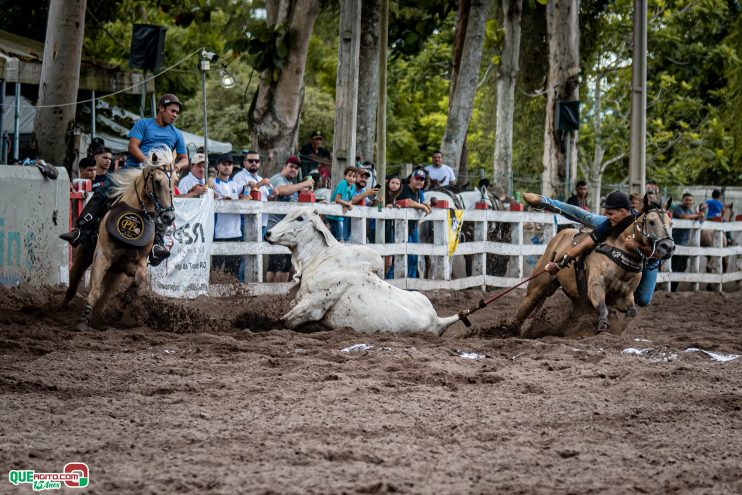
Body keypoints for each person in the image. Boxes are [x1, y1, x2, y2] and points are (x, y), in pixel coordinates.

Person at [60, 94, 188, 266]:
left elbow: (185, 158)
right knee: (103, 191)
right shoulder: (143, 124)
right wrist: (148, 163)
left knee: (165, 207)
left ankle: (157, 245)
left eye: (177, 112)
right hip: (133, 171)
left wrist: (176, 167)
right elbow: (133, 146)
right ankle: (81, 229)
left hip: (157, 177)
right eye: (172, 111)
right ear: (161, 108)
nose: (175, 115)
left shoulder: (177, 134)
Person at [523, 190, 660, 307]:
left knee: (643, 300)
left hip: (647, 261)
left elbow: (660, 252)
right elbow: (585, 243)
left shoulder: (646, 225)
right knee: (587, 217)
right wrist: (561, 263)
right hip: (617, 230)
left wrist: (637, 246)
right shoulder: (611, 221)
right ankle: (544, 201)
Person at [266, 156, 315, 282]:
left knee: (276, 265)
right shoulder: (278, 179)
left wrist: (302, 191)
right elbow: (281, 191)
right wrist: (303, 184)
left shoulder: (290, 183)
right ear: (284, 166)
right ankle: (278, 295)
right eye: (291, 167)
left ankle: (270, 295)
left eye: (296, 168)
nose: (294, 170)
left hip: (282, 229)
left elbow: (292, 201)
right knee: (283, 264)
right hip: (278, 228)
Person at [210, 154, 244, 281]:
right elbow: (205, 188)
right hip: (219, 233)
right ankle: (214, 294)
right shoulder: (212, 183)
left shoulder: (236, 184)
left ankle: (232, 296)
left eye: (229, 164)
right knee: (217, 268)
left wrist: (251, 185)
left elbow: (249, 189)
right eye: (224, 164)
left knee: (234, 269)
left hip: (236, 232)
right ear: (218, 166)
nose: (227, 167)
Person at [396, 169, 431, 278]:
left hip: (413, 227)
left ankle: (412, 283)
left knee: (415, 256)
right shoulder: (404, 188)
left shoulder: (420, 193)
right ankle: (406, 282)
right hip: (401, 227)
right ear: (411, 179)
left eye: (422, 180)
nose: (419, 182)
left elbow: (423, 202)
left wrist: (426, 205)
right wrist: (422, 206)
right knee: (409, 256)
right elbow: (406, 202)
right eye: (417, 179)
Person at [233, 150, 273, 239]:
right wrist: (260, 184)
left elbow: (267, 198)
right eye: (251, 161)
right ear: (244, 163)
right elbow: (242, 197)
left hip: (263, 221)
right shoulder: (239, 177)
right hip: (247, 221)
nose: (254, 163)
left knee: (258, 251)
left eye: (257, 161)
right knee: (246, 251)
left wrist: (274, 194)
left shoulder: (260, 178)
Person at [670, 193, 705, 292]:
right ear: (682, 200)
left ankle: (673, 287)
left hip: (685, 244)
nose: (688, 202)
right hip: (675, 242)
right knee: (675, 266)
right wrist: (698, 215)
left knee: (683, 266)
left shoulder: (690, 211)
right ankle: (671, 288)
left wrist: (701, 216)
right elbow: (684, 217)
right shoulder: (678, 208)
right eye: (686, 199)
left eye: (690, 200)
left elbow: (700, 220)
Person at [327, 167, 357, 242]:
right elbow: (337, 199)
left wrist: (348, 204)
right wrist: (348, 205)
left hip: (341, 215)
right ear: (344, 176)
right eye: (349, 176)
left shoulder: (353, 186)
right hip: (334, 215)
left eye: (354, 177)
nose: (351, 178)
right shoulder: (343, 183)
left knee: (341, 239)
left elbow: (350, 199)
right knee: (339, 240)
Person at [384, 176, 403, 279]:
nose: (395, 185)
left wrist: (396, 206)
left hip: (389, 227)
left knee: (389, 259)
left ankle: (386, 278)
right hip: (377, 226)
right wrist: (384, 206)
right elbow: (374, 204)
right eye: (393, 182)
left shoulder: (397, 196)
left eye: (397, 183)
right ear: (388, 183)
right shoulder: (382, 192)